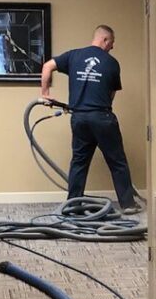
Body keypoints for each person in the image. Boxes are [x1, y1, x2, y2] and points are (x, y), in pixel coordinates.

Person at [40, 25, 139, 213]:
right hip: (102, 117)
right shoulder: (112, 63)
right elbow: (111, 94)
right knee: (117, 162)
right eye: (111, 43)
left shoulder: (73, 56)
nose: (112, 47)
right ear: (105, 40)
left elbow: (47, 66)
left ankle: (73, 205)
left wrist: (45, 94)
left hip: (79, 118)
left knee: (79, 162)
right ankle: (128, 204)